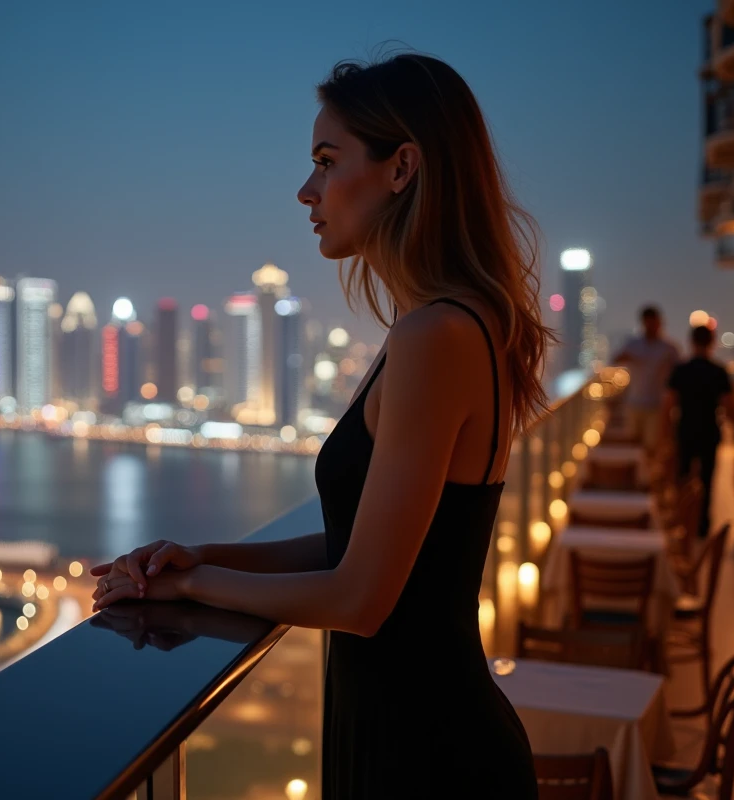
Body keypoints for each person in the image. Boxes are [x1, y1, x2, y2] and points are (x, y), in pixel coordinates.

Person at [90, 53, 550, 797]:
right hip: (411, 731)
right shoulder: (442, 325)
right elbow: (361, 541)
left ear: (402, 168)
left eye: (327, 162)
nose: (307, 191)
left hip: (428, 755)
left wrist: (196, 586)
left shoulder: (436, 336)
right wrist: (201, 555)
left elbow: (359, 599)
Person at [664, 325, 734, 538]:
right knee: (707, 479)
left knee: (683, 477)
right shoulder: (719, 371)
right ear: (712, 342)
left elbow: (668, 405)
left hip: (685, 429)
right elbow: (730, 406)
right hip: (709, 431)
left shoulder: (681, 369)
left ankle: (683, 522)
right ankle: (702, 526)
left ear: (691, 341)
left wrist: (666, 435)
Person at [613, 306, 680, 453]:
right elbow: (615, 359)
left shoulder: (668, 349)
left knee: (652, 447)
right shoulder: (633, 344)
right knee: (632, 444)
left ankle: (645, 474)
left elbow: (678, 375)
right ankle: (638, 474)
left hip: (656, 405)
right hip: (634, 403)